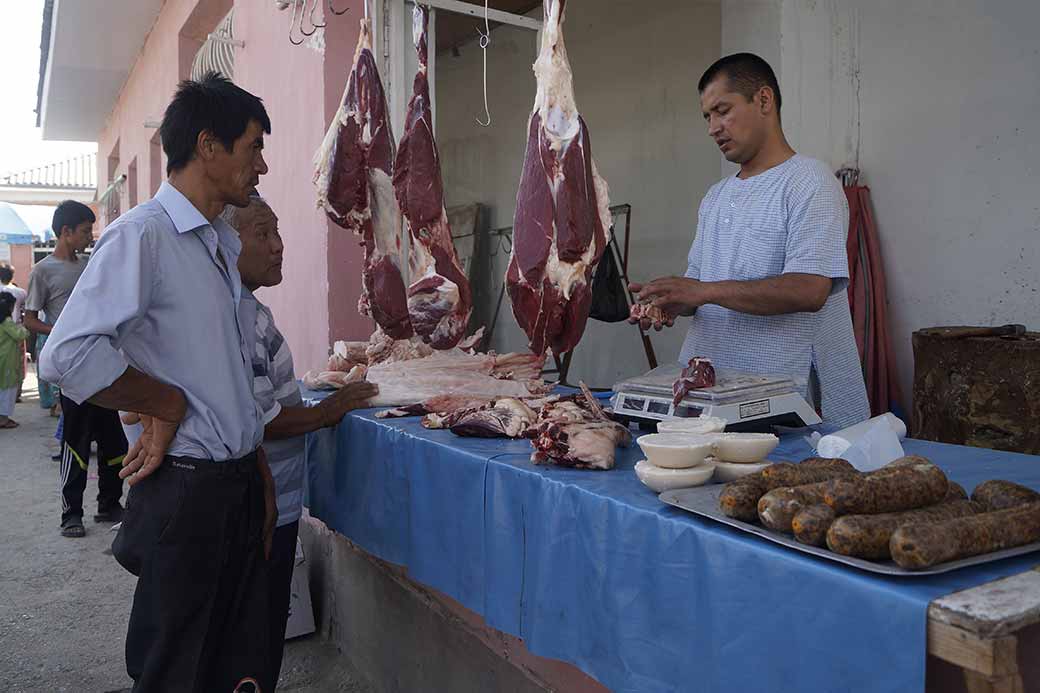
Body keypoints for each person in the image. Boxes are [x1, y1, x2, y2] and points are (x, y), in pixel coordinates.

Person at [40, 71, 276, 691]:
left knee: (233, 661)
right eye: (253, 146)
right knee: (177, 667)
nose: (262, 166)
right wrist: (161, 400)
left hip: (233, 483)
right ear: (208, 146)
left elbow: (221, 375)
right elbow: (65, 356)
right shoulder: (144, 235)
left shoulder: (218, 244)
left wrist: (254, 466)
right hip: (188, 492)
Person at [630, 53, 869, 428]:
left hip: (782, 401)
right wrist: (672, 301)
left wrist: (702, 292)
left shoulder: (809, 181)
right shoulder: (715, 196)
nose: (713, 127)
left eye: (722, 110)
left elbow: (810, 289)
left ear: (763, 100)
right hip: (708, 392)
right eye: (707, 117)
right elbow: (701, 289)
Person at [225, 195, 377, 689]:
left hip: (276, 504)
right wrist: (331, 409)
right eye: (262, 234)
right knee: (249, 643)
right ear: (225, 243)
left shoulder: (251, 309)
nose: (278, 246)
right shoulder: (236, 316)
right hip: (259, 509)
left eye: (278, 233)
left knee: (260, 637)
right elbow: (261, 417)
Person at [25, 202, 128, 536]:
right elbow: (30, 319)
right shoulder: (43, 270)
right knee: (76, 440)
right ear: (66, 232)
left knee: (114, 441)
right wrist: (63, 332)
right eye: (85, 230)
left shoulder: (90, 264)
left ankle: (109, 504)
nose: (89, 237)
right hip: (72, 371)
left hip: (103, 365)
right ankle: (71, 513)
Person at [0, 292, 28, 429]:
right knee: (8, 389)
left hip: (3, 360)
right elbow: (20, 335)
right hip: (7, 361)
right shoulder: (6, 322)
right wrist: (24, 326)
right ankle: (3, 418)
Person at [0, 264, 27, 401]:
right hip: (16, 330)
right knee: (18, 364)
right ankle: (16, 393)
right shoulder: (20, 292)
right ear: (12, 275)